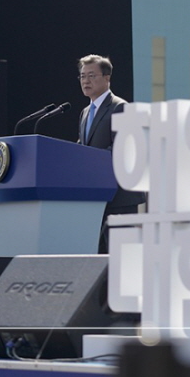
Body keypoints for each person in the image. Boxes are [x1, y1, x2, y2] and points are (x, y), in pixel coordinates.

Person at [77, 54, 144, 253]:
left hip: (119, 198)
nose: (86, 81)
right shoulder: (85, 113)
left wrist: (90, 160)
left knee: (122, 257)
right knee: (98, 259)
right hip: (96, 196)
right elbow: (83, 148)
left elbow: (124, 149)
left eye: (91, 75)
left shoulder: (120, 107)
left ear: (107, 78)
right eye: (82, 76)